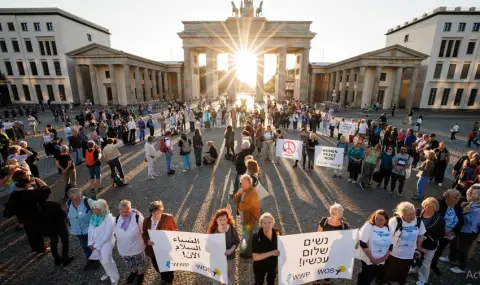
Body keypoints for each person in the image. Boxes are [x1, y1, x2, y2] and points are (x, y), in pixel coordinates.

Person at [381, 202, 426, 285]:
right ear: (402, 214)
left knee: (403, 272)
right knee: (389, 270)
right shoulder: (395, 221)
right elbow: (386, 236)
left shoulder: (418, 221)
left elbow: (420, 235)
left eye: (413, 213)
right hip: (393, 253)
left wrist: (419, 248)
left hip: (409, 254)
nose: (412, 216)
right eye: (409, 214)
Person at [38, 187, 75, 266]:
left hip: (49, 228)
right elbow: (64, 215)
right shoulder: (54, 205)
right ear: (49, 195)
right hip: (59, 226)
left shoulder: (39, 205)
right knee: (65, 241)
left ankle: (56, 259)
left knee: (53, 242)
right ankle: (65, 258)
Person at [142, 201, 177, 284]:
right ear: (151, 213)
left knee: (168, 267)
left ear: (162, 210)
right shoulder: (146, 221)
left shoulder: (168, 218)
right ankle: (163, 277)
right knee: (157, 266)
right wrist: (147, 241)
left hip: (166, 250)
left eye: (158, 212)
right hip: (153, 250)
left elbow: (174, 231)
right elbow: (144, 234)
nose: (156, 215)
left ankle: (169, 280)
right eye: (154, 213)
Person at [413, 198, 445, 285]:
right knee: (414, 257)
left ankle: (423, 279)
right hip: (414, 242)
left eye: (430, 206)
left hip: (429, 244)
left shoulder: (440, 219)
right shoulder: (417, 212)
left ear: (435, 208)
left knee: (426, 262)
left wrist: (427, 237)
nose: (427, 207)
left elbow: (441, 235)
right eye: (426, 205)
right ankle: (414, 269)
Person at [448, 185, 480, 274]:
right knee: (454, 243)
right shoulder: (472, 203)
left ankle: (462, 267)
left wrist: (464, 212)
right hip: (462, 229)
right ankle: (452, 259)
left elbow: (472, 222)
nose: (468, 193)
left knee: (463, 249)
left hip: (468, 232)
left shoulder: (478, 209)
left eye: (471, 192)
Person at [431, 189, 463, 275]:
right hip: (435, 233)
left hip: (447, 235)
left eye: (458, 198)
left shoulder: (458, 208)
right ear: (447, 197)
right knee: (429, 249)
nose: (457, 200)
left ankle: (433, 265)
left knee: (439, 250)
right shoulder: (440, 204)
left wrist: (452, 232)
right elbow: (432, 218)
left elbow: (461, 223)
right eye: (455, 198)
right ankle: (420, 265)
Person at [355, 210, 392, 285]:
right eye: (376, 218)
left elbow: (391, 244)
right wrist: (372, 259)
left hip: (381, 259)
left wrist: (385, 257)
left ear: (386, 221)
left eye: (381, 220)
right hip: (369, 258)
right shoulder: (369, 226)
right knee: (368, 277)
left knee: (366, 274)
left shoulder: (388, 228)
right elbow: (363, 243)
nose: (378, 221)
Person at [316, 203, 350, 285]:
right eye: (331, 211)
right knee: (319, 266)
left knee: (330, 267)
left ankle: (326, 281)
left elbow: (347, 240)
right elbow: (317, 235)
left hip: (334, 252)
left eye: (334, 213)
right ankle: (316, 281)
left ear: (340, 214)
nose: (331, 214)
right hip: (322, 250)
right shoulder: (324, 221)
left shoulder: (344, 226)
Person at [88, 199, 119, 285]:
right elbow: (90, 229)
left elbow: (107, 235)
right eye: (93, 208)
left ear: (102, 209)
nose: (92, 210)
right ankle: (108, 272)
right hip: (95, 244)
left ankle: (114, 277)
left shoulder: (108, 218)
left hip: (106, 243)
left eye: (95, 208)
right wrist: (90, 243)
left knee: (107, 260)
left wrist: (96, 245)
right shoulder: (94, 216)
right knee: (101, 260)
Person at [65, 188, 98, 270]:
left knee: (92, 245)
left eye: (80, 197)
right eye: (75, 198)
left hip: (89, 229)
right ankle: (90, 259)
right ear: (71, 198)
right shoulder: (68, 203)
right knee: (84, 245)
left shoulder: (88, 201)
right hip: (77, 230)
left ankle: (97, 259)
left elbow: (99, 210)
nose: (78, 199)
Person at [114, 200, 146, 285]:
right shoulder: (117, 218)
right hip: (124, 250)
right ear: (119, 210)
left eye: (126, 211)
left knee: (140, 263)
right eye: (122, 211)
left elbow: (144, 230)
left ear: (130, 209)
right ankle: (134, 272)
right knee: (130, 264)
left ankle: (140, 274)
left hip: (137, 248)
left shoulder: (137, 217)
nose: (124, 213)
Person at [207, 209, 240, 285]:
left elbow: (237, 241)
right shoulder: (213, 231)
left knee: (229, 276)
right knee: (216, 277)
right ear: (216, 220)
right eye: (220, 219)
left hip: (230, 258)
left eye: (224, 219)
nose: (222, 222)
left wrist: (231, 250)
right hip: (216, 259)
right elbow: (207, 247)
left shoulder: (232, 229)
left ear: (227, 219)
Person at [233, 174, 260, 259]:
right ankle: (244, 252)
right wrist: (238, 194)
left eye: (244, 183)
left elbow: (244, 206)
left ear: (250, 183)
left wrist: (238, 202)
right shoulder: (244, 190)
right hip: (244, 217)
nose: (242, 185)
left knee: (247, 236)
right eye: (241, 183)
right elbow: (235, 200)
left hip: (249, 219)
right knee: (246, 235)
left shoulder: (252, 193)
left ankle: (247, 254)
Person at [252, 213, 280, 285]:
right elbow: (255, 257)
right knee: (258, 282)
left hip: (273, 265)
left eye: (269, 222)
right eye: (264, 223)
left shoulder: (277, 233)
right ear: (261, 224)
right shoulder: (256, 236)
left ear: (273, 223)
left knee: (271, 282)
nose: (267, 225)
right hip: (260, 266)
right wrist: (272, 253)